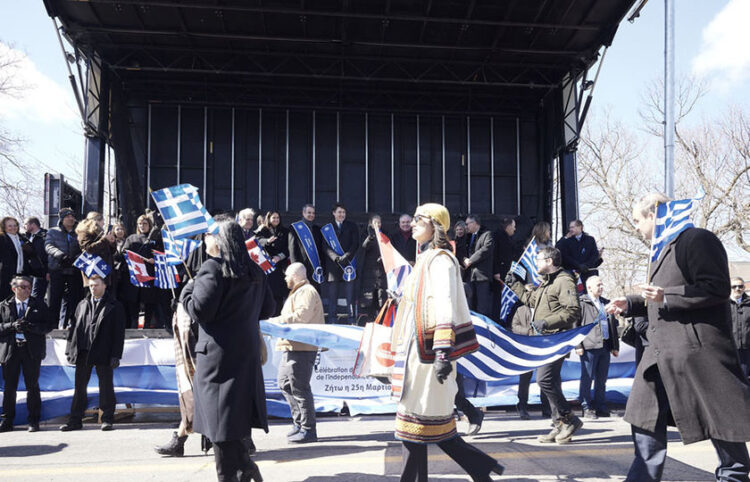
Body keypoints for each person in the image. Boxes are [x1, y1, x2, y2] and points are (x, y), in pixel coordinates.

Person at [606, 193, 750, 482]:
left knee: (720, 422)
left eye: (637, 220)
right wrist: (632, 303)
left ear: (653, 215)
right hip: (659, 354)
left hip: (696, 354)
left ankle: (734, 476)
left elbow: (716, 288)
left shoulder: (697, 239)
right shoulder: (661, 250)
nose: (635, 227)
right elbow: (659, 298)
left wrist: (666, 296)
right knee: (644, 416)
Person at [390, 202, 503, 482]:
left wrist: (442, 350)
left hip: (431, 355)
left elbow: (444, 303)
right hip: (419, 354)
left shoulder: (440, 259)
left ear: (434, 225)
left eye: (419, 219)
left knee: (415, 427)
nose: (413, 223)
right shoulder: (427, 259)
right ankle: (481, 469)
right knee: (426, 429)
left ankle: (481, 469)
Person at [181, 218, 274, 482]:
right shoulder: (255, 270)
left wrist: (188, 291)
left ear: (219, 239)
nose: (205, 240)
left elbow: (200, 310)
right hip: (245, 356)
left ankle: (231, 474)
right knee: (230, 421)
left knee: (220, 425)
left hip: (217, 360)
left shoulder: (211, 268)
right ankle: (245, 465)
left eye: (208, 235)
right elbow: (268, 309)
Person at [506, 246, 583, 444]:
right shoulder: (546, 283)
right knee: (552, 382)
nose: (536, 263)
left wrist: (547, 322)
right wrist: (514, 284)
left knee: (544, 380)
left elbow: (573, 311)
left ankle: (569, 419)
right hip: (544, 342)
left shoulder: (564, 280)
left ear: (549, 261)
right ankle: (559, 425)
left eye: (539, 260)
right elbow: (531, 300)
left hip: (555, 340)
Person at [60, 274, 125, 432]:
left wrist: (116, 355)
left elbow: (119, 334)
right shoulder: (82, 304)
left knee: (106, 387)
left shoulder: (115, 305)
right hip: (83, 351)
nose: (93, 288)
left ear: (104, 286)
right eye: (91, 285)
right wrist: (70, 350)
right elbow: (74, 329)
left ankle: (107, 419)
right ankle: (75, 420)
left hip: (104, 351)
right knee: (79, 387)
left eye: (96, 285)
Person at [268, 262, 324, 444]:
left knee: (299, 387)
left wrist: (275, 321)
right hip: (292, 346)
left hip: (302, 347)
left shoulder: (307, 291)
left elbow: (302, 316)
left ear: (296, 276)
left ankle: (308, 429)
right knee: (284, 383)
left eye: (287, 276)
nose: (285, 279)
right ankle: (299, 423)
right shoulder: (299, 292)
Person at [0, 276, 54, 432]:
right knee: (10, 387)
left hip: (31, 350)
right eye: (23, 287)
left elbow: (48, 325)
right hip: (11, 350)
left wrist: (30, 327)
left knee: (33, 386)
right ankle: (7, 420)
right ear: (14, 288)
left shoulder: (38, 304)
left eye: (29, 287)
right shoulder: (4, 305)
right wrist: (12, 326)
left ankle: (34, 420)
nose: (27, 290)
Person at [575, 276, 619, 419]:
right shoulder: (582, 303)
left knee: (602, 379)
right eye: (598, 285)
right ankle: (586, 407)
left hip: (605, 345)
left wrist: (614, 345)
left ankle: (600, 406)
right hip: (589, 346)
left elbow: (612, 324)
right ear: (589, 287)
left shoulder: (606, 303)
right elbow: (575, 325)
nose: (601, 287)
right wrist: (578, 345)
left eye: (602, 284)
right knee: (587, 378)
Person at [510, 304, 551, 419]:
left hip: (542, 347)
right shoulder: (521, 309)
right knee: (524, 379)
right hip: (526, 348)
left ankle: (546, 408)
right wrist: (529, 331)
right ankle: (522, 406)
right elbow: (514, 326)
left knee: (544, 378)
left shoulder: (546, 307)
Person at [45, 208, 83, 329]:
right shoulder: (52, 231)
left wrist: (75, 258)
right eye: (67, 216)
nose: (71, 218)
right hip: (57, 269)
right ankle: (52, 325)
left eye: (72, 216)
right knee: (54, 299)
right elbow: (48, 246)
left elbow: (83, 248)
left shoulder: (79, 232)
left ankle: (73, 325)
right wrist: (60, 255)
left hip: (74, 270)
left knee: (74, 299)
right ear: (61, 218)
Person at [322, 203, 359, 324]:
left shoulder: (352, 226)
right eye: (339, 212)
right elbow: (325, 246)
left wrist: (347, 256)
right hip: (333, 266)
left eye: (343, 212)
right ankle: (332, 319)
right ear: (334, 213)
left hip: (348, 265)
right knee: (332, 296)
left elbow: (355, 244)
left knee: (350, 295)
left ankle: (351, 319)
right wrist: (336, 258)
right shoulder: (327, 228)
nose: (341, 214)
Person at [121, 215, 158, 329]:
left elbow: (161, 254)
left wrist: (155, 260)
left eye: (145, 223)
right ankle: (133, 326)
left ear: (149, 225)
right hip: (135, 276)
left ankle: (147, 325)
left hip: (149, 275)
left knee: (149, 302)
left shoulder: (155, 239)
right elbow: (123, 253)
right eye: (140, 224)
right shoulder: (131, 238)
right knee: (133, 303)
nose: (142, 226)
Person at [256, 211, 290, 315]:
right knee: (267, 293)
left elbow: (288, 248)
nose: (276, 220)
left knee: (279, 295)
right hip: (266, 267)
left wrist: (279, 257)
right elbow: (258, 240)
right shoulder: (263, 230)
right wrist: (267, 241)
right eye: (273, 218)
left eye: (277, 218)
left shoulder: (284, 231)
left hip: (279, 267)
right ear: (269, 218)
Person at [288, 204, 326, 290]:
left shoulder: (317, 229)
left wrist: (322, 266)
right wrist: (295, 267)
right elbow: (292, 249)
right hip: (302, 267)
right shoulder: (295, 228)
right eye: (309, 212)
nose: (311, 215)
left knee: (314, 293)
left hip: (315, 268)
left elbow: (321, 249)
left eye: (313, 213)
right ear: (303, 213)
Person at [463, 214, 494, 317]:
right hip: (470, 276)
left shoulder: (487, 234)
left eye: (468, 224)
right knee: (470, 305)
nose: (466, 226)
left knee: (482, 306)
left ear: (475, 223)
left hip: (481, 276)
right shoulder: (468, 237)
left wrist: (470, 260)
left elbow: (485, 250)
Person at [555, 220, 601, 289]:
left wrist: (586, 265)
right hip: (573, 273)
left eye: (573, 227)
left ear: (580, 227)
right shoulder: (567, 240)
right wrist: (578, 265)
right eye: (570, 228)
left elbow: (594, 254)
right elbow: (562, 252)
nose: (570, 230)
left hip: (587, 272)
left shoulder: (590, 239)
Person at [359, 214, 387, 323]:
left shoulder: (384, 233)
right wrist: (370, 237)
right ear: (370, 223)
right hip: (369, 272)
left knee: (381, 297)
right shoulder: (365, 233)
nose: (377, 225)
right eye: (375, 222)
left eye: (379, 222)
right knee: (369, 300)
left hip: (381, 271)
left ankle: (381, 321)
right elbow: (363, 247)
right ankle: (369, 321)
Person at [76, 217, 116, 287]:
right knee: (92, 294)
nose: (103, 225)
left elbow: (111, 251)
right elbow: (88, 248)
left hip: (104, 268)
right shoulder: (84, 232)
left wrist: (111, 242)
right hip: (92, 268)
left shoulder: (101, 233)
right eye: (102, 223)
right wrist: (104, 240)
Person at [0, 217, 31, 301]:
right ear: (4, 227)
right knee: (5, 299)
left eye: (15, 225)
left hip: (21, 275)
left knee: (20, 300)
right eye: (10, 226)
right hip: (6, 275)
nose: (13, 228)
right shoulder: (2, 238)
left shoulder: (22, 238)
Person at [23, 217, 48, 301]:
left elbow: (46, 255)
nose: (24, 226)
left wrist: (47, 271)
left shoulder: (44, 236)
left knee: (36, 296)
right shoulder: (27, 237)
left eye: (26, 224)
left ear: (33, 225)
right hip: (30, 272)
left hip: (40, 272)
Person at [730, 277, 750, 379]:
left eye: (740, 286)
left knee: (744, 377)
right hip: (729, 348)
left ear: (744, 288)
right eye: (734, 286)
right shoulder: (724, 304)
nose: (738, 289)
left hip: (746, 350)